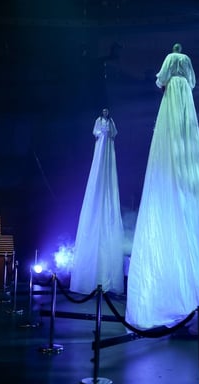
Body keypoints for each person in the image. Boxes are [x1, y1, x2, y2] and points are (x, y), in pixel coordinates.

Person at [125, 43, 199, 332]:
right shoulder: (185, 64)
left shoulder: (171, 61)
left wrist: (166, 82)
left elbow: (160, 79)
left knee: (173, 144)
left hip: (173, 96)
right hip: (183, 97)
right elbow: (194, 81)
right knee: (183, 142)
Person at [69, 108, 126, 295]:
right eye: (104, 111)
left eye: (108, 111)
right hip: (101, 147)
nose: (106, 113)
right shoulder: (99, 121)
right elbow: (96, 132)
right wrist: (102, 133)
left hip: (108, 149)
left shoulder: (111, 122)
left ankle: (108, 280)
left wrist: (107, 133)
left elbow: (114, 134)